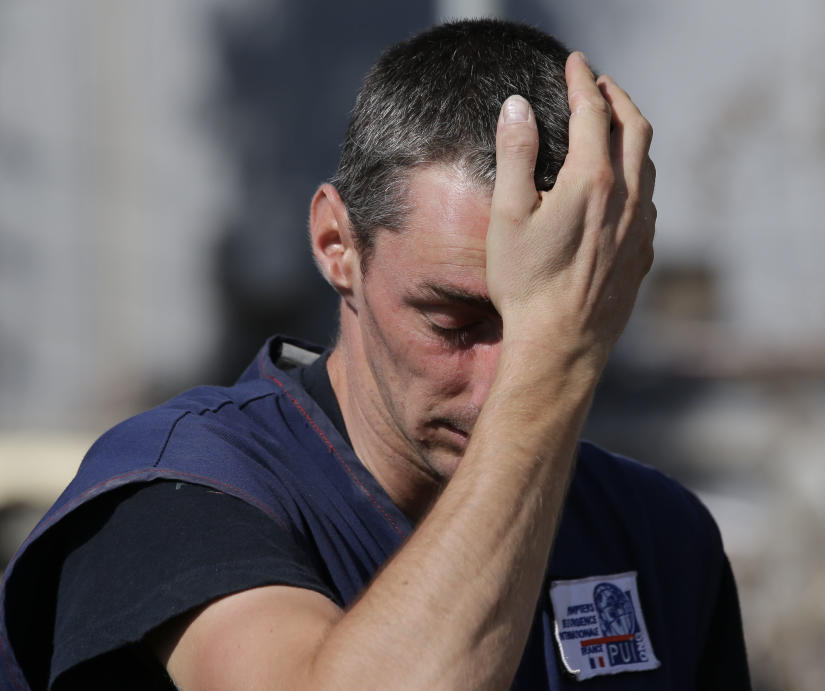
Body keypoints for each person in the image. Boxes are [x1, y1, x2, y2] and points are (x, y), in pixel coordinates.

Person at [0, 19, 750, 690]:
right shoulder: (176, 492)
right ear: (337, 245)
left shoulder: (654, 532)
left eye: (545, 324)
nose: (501, 384)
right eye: (454, 320)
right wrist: (555, 350)